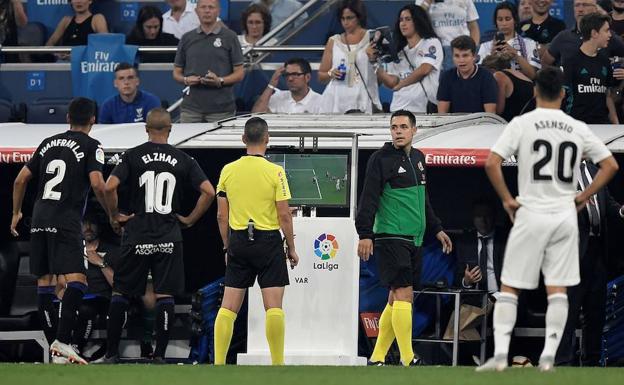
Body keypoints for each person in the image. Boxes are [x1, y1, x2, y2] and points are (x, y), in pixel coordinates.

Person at [476, 67, 619, 372]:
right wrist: (582, 197)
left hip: (531, 212)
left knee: (510, 287)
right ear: (564, 94)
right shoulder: (575, 126)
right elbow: (611, 165)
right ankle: (549, 359)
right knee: (558, 292)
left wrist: (507, 199)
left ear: (534, 91)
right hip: (564, 218)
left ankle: (501, 356)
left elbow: (492, 162)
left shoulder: (523, 123)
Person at [98, 108, 215, 363]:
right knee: (165, 294)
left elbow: (109, 186)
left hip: (137, 232)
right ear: (170, 129)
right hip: (168, 234)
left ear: (146, 129)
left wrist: (114, 215)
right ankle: (160, 356)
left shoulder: (132, 156)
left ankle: (111, 354)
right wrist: (190, 219)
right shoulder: (184, 159)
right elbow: (209, 191)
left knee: (120, 292)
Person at [10, 97, 108, 365]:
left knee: (45, 284)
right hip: (66, 218)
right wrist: (112, 211)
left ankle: (55, 350)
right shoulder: (92, 146)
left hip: (40, 217)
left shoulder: (47, 143)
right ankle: (62, 342)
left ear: (67, 119)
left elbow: (20, 179)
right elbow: (98, 184)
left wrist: (17, 212)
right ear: (93, 120)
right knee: (78, 281)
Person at [355, 110, 453, 366]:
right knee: (405, 294)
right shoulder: (380, 159)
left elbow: (423, 200)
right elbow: (369, 198)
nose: (397, 131)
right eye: (393, 127)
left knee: (394, 298)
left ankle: (377, 356)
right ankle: (408, 357)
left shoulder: (419, 159)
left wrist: (437, 228)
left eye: (402, 127)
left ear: (414, 130)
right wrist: (365, 233)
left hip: (415, 238)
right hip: (391, 236)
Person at [213, 117, 299, 365]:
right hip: (268, 240)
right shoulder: (275, 172)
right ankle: (277, 364)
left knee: (229, 306)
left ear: (243, 140)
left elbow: (221, 215)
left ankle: (218, 363)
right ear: (267, 139)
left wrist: (227, 246)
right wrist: (291, 247)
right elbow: (283, 214)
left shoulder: (228, 170)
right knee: (273, 306)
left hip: (239, 240)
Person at [555, 160, 624, 366]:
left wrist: (620, 210)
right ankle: (562, 362)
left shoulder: (595, 171)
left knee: (595, 312)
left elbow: (607, 203)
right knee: (568, 312)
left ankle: (592, 361)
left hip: (597, 254)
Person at [173, 0, 245, 123]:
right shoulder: (187, 38)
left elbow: (239, 73)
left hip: (222, 109)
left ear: (218, 11)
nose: (207, 11)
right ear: (196, 11)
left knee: (221, 143)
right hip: (190, 109)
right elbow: (176, 72)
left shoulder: (230, 37)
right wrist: (186, 80)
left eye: (211, 7)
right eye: (203, 7)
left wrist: (220, 81)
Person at [366, 4, 442, 113]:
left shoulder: (431, 42)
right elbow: (392, 82)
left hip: (423, 110)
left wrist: (401, 84)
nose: (403, 23)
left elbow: (424, 69)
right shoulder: (398, 51)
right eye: (401, 20)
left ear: (418, 21)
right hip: (398, 109)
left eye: (408, 19)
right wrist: (374, 62)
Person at [318, 0, 381, 114]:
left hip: (364, 97)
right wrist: (330, 73)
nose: (345, 22)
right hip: (337, 99)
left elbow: (382, 76)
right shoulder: (333, 41)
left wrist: (373, 60)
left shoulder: (373, 37)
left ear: (359, 17)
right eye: (343, 18)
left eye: (349, 18)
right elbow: (321, 75)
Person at [563, 12, 619, 124]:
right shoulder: (571, 61)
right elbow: (562, 95)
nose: (610, 35)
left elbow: (608, 95)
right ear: (594, 33)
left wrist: (615, 121)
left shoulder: (605, 61)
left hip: (602, 125)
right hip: (577, 125)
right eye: (606, 30)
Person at [544, 0, 624, 66]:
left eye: (585, 5)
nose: (580, 9)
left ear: (595, 9)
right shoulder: (563, 37)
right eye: (577, 5)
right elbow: (545, 65)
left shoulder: (610, 38)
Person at [477, 1, 541, 80]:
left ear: (515, 20)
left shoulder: (529, 43)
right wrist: (492, 56)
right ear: (496, 22)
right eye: (500, 19)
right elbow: (480, 77)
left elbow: (533, 75)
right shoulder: (485, 46)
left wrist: (516, 55)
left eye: (508, 19)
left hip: (521, 88)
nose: (504, 23)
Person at [437, 35, 498, 114]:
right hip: (454, 124)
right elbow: (442, 113)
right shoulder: (446, 77)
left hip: (480, 124)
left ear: (474, 57)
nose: (461, 60)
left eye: (465, 55)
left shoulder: (487, 77)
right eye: (457, 56)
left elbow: (490, 114)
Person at [415, 0, 480, 70]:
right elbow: (416, 20)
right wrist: (427, 3)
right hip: (436, 48)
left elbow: (473, 27)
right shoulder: (422, 1)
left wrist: (474, 49)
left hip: (462, 47)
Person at [252, 57, 322, 113]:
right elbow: (256, 115)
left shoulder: (320, 101)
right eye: (287, 75)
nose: (290, 78)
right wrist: (271, 84)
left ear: (307, 77)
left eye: (295, 74)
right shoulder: (278, 97)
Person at [481, 53, 535, 121]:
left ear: (492, 70)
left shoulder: (499, 76)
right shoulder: (521, 75)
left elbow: (497, 111)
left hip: (512, 125)